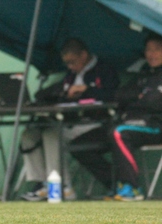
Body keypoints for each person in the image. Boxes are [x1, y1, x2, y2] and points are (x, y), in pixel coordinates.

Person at [20, 38, 119, 201]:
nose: (70, 66)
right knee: (29, 135)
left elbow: (113, 95)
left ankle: (63, 186)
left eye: (72, 62)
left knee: (52, 134)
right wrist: (61, 93)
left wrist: (86, 90)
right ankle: (42, 183)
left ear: (84, 55)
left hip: (94, 123)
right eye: (67, 63)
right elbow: (44, 94)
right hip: (69, 122)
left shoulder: (104, 70)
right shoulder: (70, 75)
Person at [108, 33, 162, 201]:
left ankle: (131, 187)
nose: (151, 54)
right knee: (85, 140)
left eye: (157, 49)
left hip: (156, 126)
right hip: (132, 122)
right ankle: (115, 186)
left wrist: (139, 98)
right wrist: (138, 96)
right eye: (148, 50)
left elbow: (154, 103)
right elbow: (118, 95)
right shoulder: (144, 73)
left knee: (118, 133)